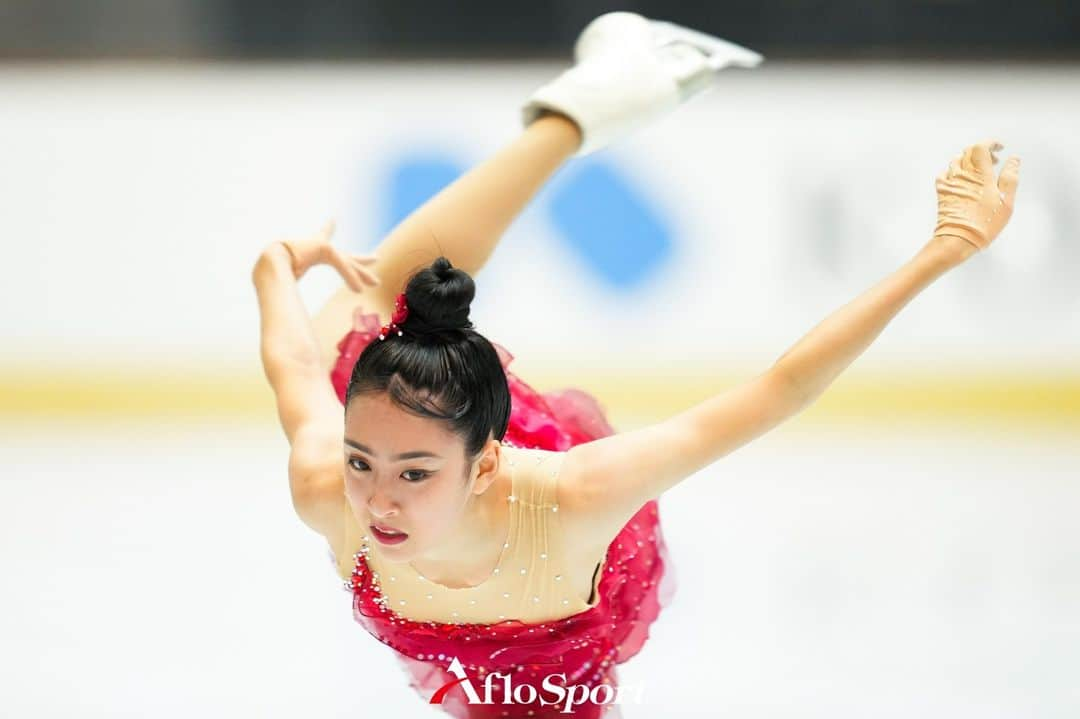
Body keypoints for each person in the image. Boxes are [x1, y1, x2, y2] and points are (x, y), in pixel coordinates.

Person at [251, 11, 1021, 718]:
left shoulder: (579, 495)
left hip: (542, 540)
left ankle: (585, 106)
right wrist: (274, 265)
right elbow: (290, 361)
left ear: (486, 465)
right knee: (370, 308)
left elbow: (779, 388)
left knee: (382, 289)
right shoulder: (331, 487)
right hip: (478, 505)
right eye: (362, 462)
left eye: (410, 474)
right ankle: (595, 100)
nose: (377, 500)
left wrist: (941, 252)